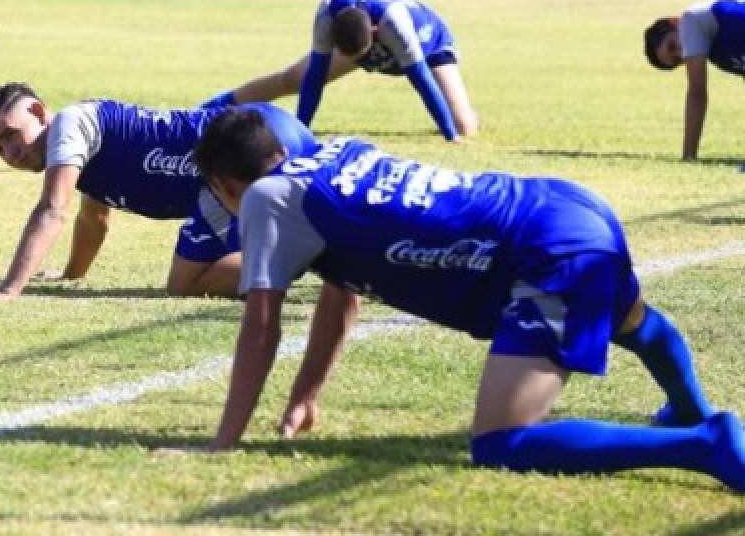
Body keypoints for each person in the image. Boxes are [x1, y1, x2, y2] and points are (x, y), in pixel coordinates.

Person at [185, 107, 745, 492]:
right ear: (280, 148)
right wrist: (306, 395)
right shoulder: (332, 154)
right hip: (560, 203)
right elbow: (341, 297)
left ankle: (702, 442)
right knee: (634, 323)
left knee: (502, 442)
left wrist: (223, 442)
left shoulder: (265, 199)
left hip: (545, 249)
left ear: (225, 186)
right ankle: (693, 407)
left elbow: (261, 327)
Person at [0, 83, 318, 300]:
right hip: (272, 126)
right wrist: (73, 273)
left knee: (185, 284)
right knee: (313, 213)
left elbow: (52, 210)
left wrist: (8, 291)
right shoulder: (84, 144)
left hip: (242, 152)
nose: (10, 153)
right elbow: (93, 218)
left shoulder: (69, 127)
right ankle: (322, 241)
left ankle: (311, 248)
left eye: (11, 135)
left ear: (39, 111)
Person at [203, 0, 478, 140]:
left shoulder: (394, 24)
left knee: (463, 125)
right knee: (291, 79)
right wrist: (302, 131)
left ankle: (456, 126)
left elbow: (421, 81)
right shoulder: (327, 13)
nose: (362, 64)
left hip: (428, 48)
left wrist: (450, 134)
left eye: (362, 56)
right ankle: (210, 109)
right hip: (360, 41)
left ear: (373, 30)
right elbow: (314, 77)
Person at [643, 0, 745, 163]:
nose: (682, 54)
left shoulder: (691, 20)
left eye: (672, 46)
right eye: (678, 61)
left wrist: (688, 155)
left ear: (675, 22)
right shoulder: (719, 54)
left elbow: (697, 94)